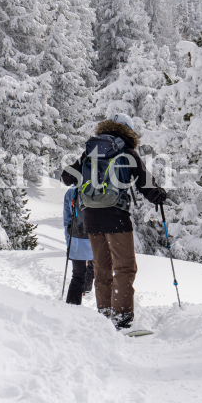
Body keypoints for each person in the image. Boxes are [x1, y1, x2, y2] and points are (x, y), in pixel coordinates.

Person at [61, 113, 167, 329]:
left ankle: (105, 315)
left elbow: (66, 177)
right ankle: (121, 317)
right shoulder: (127, 152)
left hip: (90, 217)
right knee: (124, 267)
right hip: (116, 216)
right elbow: (146, 186)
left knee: (101, 268)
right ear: (128, 130)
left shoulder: (90, 151)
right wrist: (160, 195)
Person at [62, 186, 94, 305]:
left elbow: (67, 221)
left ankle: (72, 308)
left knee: (77, 276)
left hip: (77, 240)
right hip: (96, 239)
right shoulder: (99, 187)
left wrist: (68, 243)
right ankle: (104, 313)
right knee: (102, 277)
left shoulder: (71, 192)